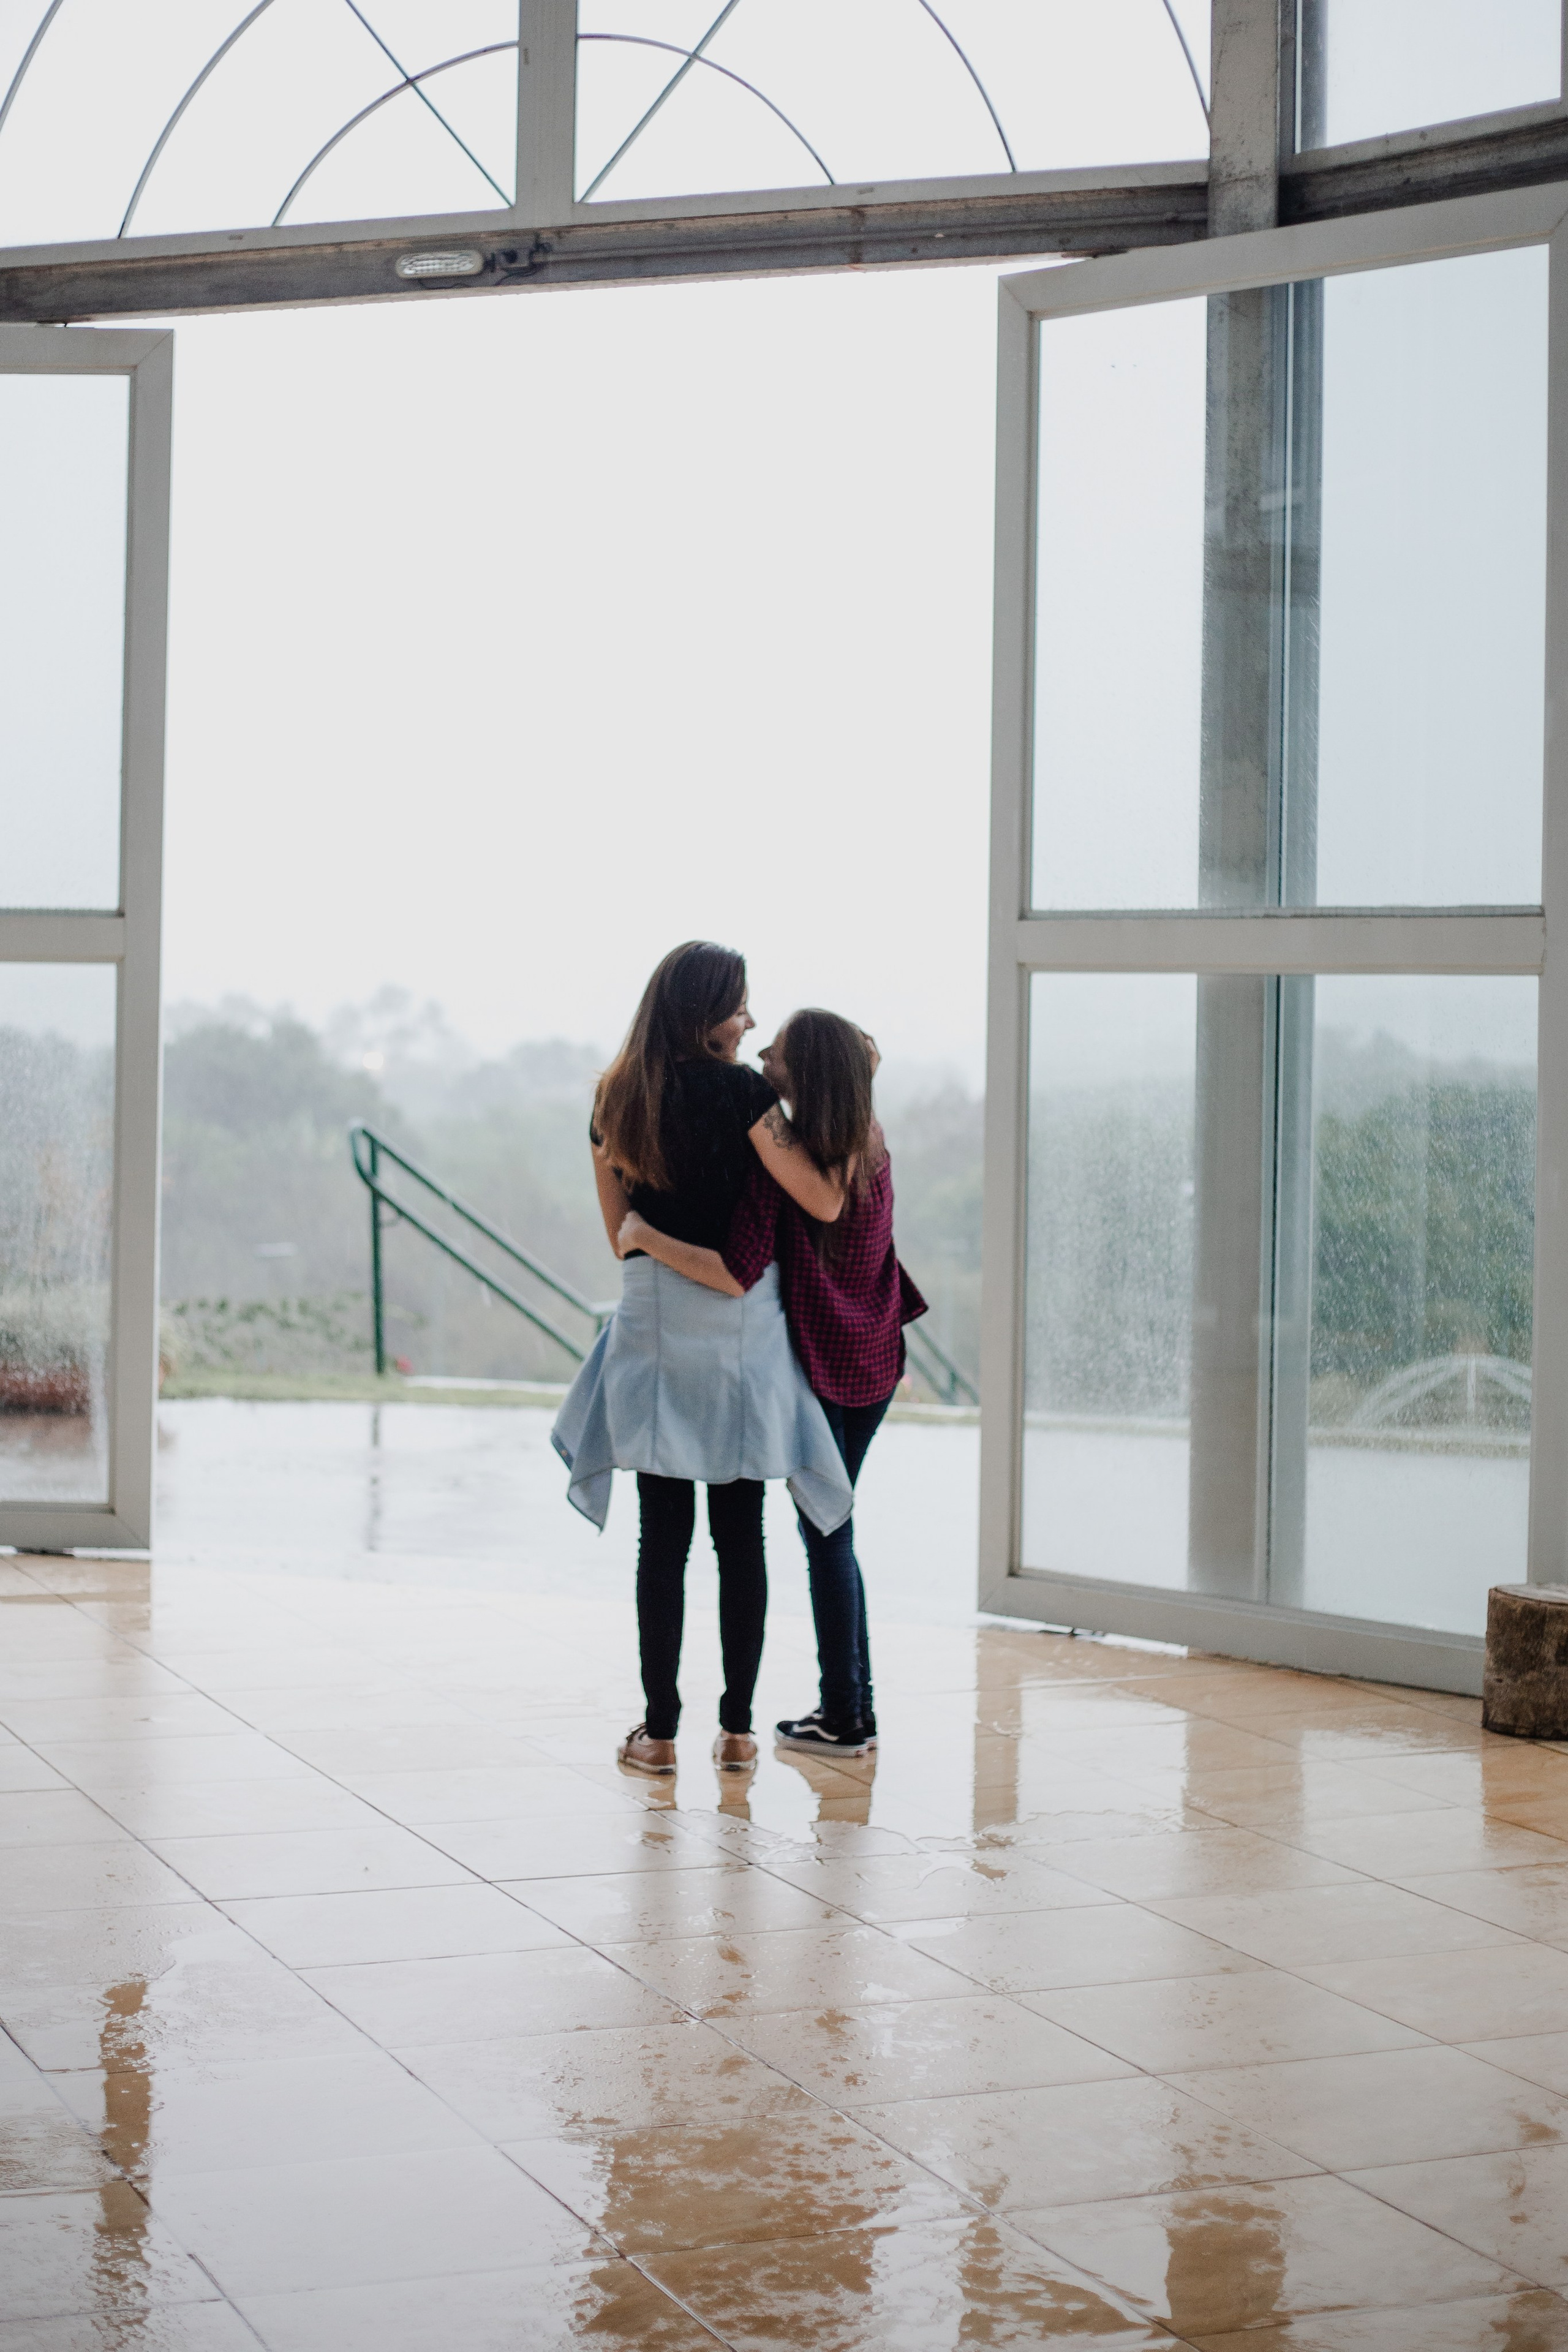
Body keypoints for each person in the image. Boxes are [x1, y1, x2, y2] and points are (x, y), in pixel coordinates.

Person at [552, 943, 853, 1777]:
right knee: (740, 1535)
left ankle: (656, 1734)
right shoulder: (751, 1097)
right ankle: (739, 1731)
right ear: (706, 1012)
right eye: (740, 1006)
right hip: (739, 1325)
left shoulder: (613, 1101)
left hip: (654, 1326)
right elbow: (816, 1195)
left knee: (663, 1539)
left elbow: (620, 1236)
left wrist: (656, 1235)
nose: (749, 1020)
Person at [619, 1008, 925, 1758]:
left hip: (827, 1365)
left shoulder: (786, 1174)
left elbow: (732, 1271)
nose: (761, 1053)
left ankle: (845, 1714)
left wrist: (641, 1236)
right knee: (830, 1523)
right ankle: (844, 1709)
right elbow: (859, 1066)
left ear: (807, 1076)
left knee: (826, 1529)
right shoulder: (865, 1138)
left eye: (778, 1054)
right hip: (875, 1357)